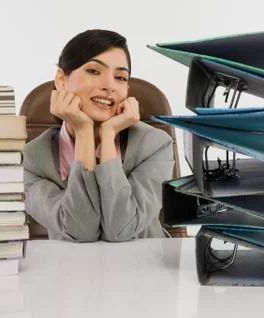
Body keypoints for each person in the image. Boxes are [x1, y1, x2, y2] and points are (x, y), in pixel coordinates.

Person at [23, 29, 174, 242]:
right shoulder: (31, 160)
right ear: (61, 79)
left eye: (120, 77)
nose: (109, 86)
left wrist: (108, 134)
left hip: (143, 268)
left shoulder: (155, 146)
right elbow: (80, 231)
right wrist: (84, 133)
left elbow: (121, 229)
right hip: (68, 270)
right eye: (94, 71)